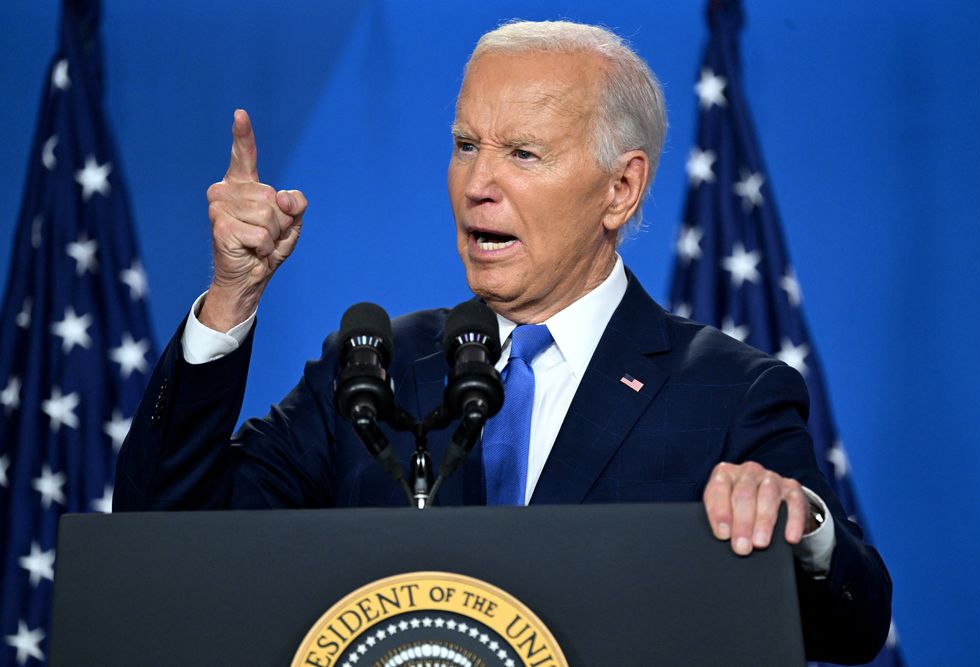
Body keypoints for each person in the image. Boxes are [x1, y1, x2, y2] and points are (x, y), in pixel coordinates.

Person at [114, 20, 891, 663]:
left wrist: (800, 522)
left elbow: (852, 624)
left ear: (621, 189)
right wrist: (232, 295)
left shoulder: (726, 390)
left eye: (522, 153)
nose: (478, 182)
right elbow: (166, 537)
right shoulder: (373, 367)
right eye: (464, 144)